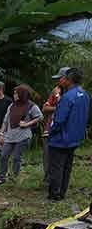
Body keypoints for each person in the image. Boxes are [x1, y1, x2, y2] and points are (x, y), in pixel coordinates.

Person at [47, 67, 90, 201]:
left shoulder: (67, 97)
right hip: (75, 138)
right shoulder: (84, 95)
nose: (60, 81)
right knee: (67, 167)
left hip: (61, 139)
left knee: (56, 167)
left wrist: (51, 132)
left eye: (62, 78)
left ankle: (54, 194)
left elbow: (59, 120)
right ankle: (62, 193)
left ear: (68, 79)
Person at [0, 85, 41, 185]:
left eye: (16, 93)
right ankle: (1, 177)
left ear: (21, 94)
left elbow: (40, 117)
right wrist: (1, 134)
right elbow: (5, 121)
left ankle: (14, 178)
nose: (14, 95)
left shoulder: (31, 106)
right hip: (10, 135)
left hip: (23, 136)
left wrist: (27, 124)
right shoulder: (12, 106)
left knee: (16, 158)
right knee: (3, 155)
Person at [42, 67, 69, 185]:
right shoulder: (55, 91)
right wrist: (58, 106)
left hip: (65, 131)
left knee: (62, 159)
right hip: (49, 129)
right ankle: (48, 179)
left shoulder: (73, 94)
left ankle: (60, 181)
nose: (58, 81)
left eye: (60, 78)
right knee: (47, 156)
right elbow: (45, 108)